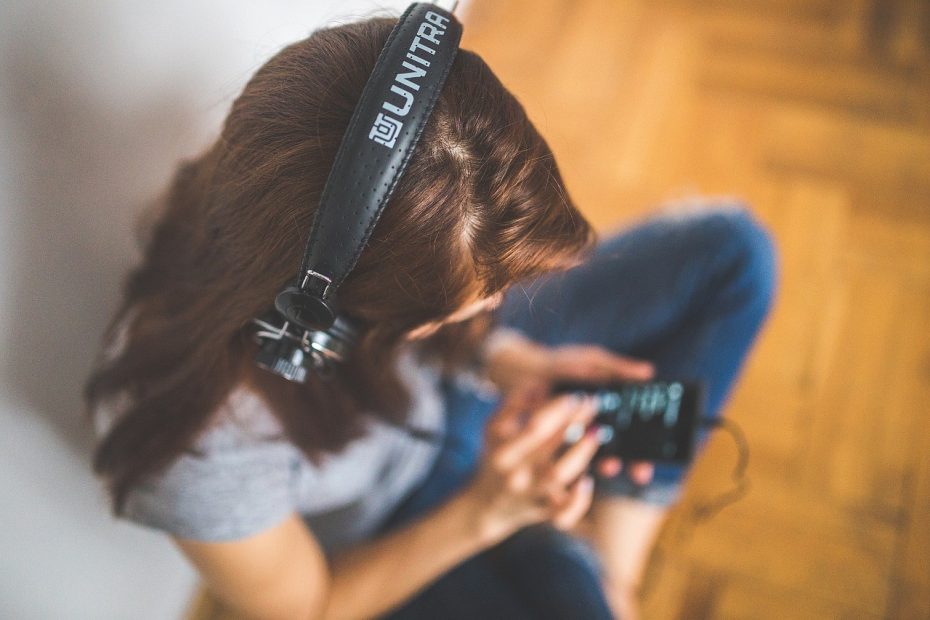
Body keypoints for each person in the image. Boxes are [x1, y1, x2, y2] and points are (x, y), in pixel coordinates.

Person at [84, 11, 777, 620]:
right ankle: (579, 565)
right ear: (321, 324)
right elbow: (309, 607)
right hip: (404, 526)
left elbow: (457, 313)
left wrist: (497, 357)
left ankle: (611, 568)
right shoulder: (193, 448)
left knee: (733, 255)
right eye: (468, 301)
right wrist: (486, 512)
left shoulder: (291, 181)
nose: (498, 305)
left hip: (450, 390)